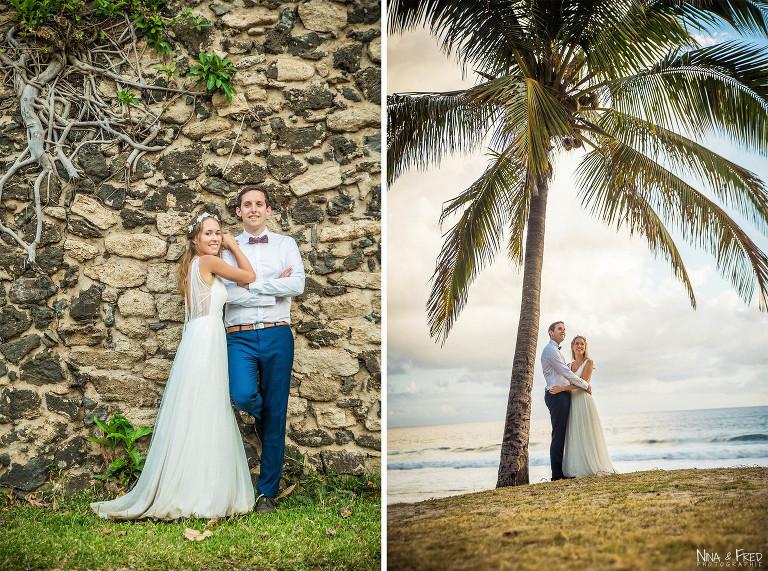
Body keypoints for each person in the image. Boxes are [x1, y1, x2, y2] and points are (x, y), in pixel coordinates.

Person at [91, 212, 257, 520]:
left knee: (198, 410)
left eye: (219, 233)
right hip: (207, 338)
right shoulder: (208, 262)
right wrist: (234, 247)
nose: (216, 238)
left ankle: (193, 486)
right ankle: (202, 492)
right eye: (209, 234)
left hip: (200, 337)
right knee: (207, 408)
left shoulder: (194, 266)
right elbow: (249, 276)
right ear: (195, 240)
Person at [222, 186, 305, 514]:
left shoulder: (287, 245)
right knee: (243, 395)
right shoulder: (225, 249)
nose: (254, 209)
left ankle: (266, 494)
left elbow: (296, 285)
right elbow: (226, 293)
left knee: (278, 410)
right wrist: (274, 290)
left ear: (269, 210)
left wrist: (250, 285)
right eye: (247, 205)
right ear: (239, 212)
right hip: (238, 336)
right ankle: (262, 416)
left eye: (259, 204)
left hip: (277, 335)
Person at [549, 335, 616, 477]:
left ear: (585, 348)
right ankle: (575, 468)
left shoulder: (588, 363)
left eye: (582, 344)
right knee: (574, 434)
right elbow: (562, 381)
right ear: (572, 347)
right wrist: (550, 387)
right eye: (577, 344)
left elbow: (582, 383)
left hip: (583, 401)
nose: (579, 346)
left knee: (586, 433)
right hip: (571, 401)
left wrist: (561, 389)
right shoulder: (568, 366)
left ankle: (591, 465)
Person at [541, 321, 592, 481]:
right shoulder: (551, 350)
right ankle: (557, 475)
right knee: (558, 434)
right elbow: (565, 372)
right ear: (551, 332)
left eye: (564, 329)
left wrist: (550, 384)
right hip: (557, 396)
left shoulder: (555, 351)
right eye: (559, 329)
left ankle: (561, 471)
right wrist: (585, 385)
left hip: (560, 394)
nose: (563, 331)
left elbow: (560, 375)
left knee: (562, 434)